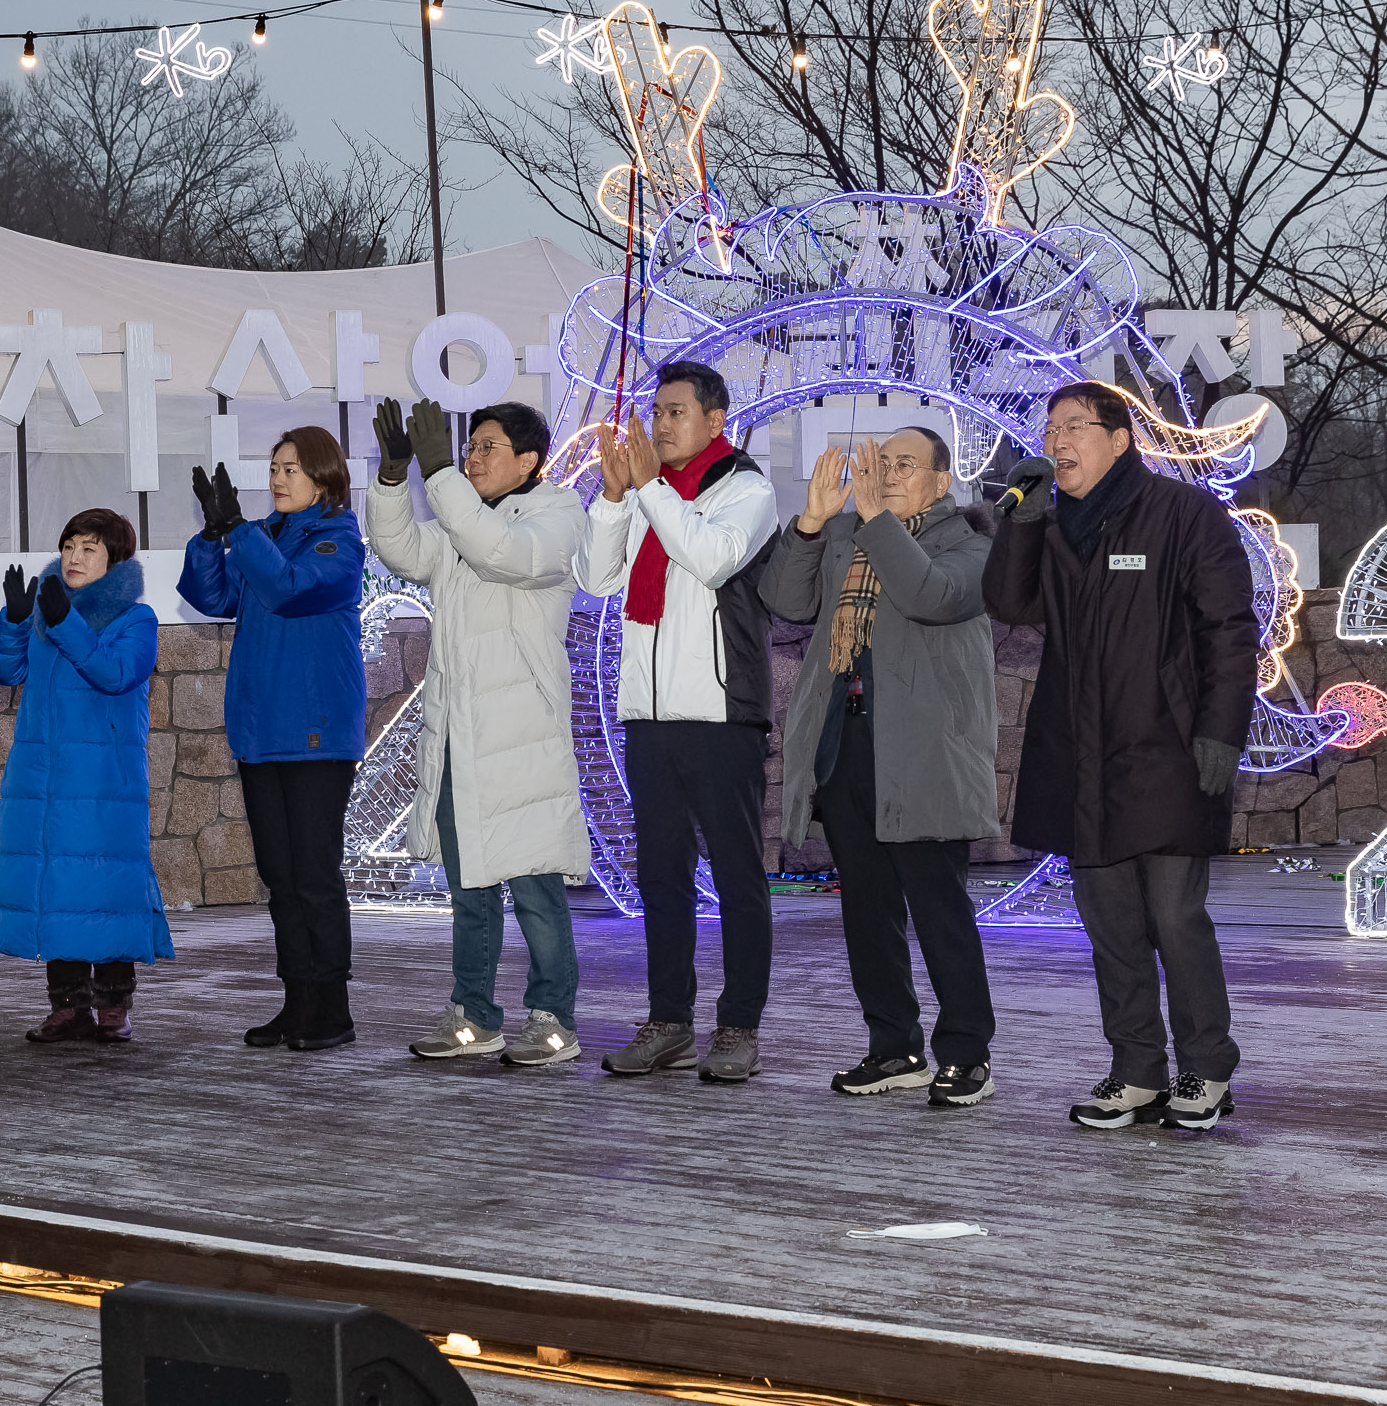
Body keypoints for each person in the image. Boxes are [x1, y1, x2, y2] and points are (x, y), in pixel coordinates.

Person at [982, 380, 1259, 1130]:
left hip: (1167, 747)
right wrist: (1024, 519)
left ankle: (1205, 1068)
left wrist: (1221, 729)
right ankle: (1136, 1068)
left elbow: (1230, 629)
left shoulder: (1183, 514)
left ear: (1120, 438)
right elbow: (1008, 602)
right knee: (1110, 922)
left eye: (1074, 426)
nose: (1058, 440)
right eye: (1050, 428)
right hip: (1080, 754)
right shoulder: (1051, 520)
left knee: (1173, 914)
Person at [765, 428, 1003, 1107]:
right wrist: (812, 520)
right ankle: (893, 1045)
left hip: (926, 753)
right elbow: (786, 599)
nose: (890, 474)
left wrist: (871, 518)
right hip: (848, 745)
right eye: (883, 462)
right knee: (867, 913)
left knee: (939, 909)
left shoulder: (971, 546)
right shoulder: (846, 534)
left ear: (941, 480)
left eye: (906, 465)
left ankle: (965, 1053)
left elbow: (926, 593)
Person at [571, 361, 781, 1083]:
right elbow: (596, 577)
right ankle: (669, 1021)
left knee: (737, 876)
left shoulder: (747, 489)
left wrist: (651, 489)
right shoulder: (645, 494)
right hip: (650, 719)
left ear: (715, 419)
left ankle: (739, 1026)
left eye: (676, 412)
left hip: (722, 715)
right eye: (656, 411)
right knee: (660, 876)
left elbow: (712, 557)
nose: (660, 424)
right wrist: (611, 496)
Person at [367, 396, 590, 1067]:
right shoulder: (462, 525)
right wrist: (391, 477)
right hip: (462, 739)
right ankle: (473, 1015)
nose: (471, 456)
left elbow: (505, 557)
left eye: (487, 446)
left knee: (535, 892)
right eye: (469, 446)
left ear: (528, 460)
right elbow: (402, 549)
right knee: (469, 893)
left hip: (520, 742)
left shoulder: (555, 515)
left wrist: (439, 475)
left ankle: (553, 1017)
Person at [178, 429, 367, 1053]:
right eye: (274, 466)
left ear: (324, 477)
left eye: (291, 468)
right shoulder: (266, 536)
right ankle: (298, 1000)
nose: (278, 478)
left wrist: (241, 532)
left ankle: (332, 1008)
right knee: (280, 876)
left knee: (314, 874)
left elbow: (286, 589)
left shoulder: (338, 542)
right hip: (262, 733)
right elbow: (211, 596)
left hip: (315, 737)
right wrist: (213, 536)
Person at [0, 508, 171, 1042]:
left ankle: (113, 1007)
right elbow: (2, 671)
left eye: (89, 548)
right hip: (44, 777)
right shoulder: (45, 611)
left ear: (115, 559)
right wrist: (17, 620)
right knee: (56, 882)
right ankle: (66, 1006)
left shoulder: (137, 619)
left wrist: (65, 622)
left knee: (105, 885)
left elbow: (115, 673)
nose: (74, 558)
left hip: (105, 782)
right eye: (68, 547)